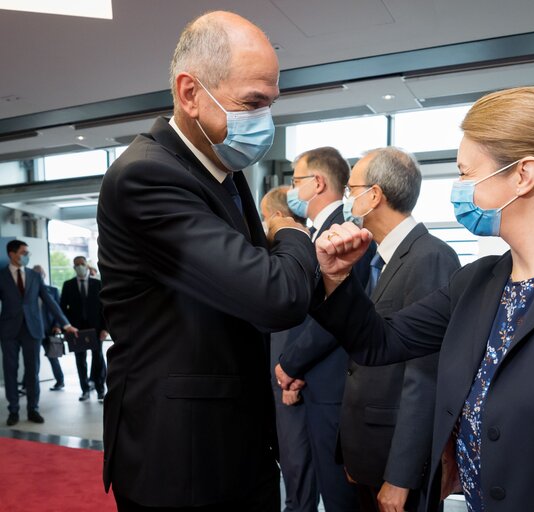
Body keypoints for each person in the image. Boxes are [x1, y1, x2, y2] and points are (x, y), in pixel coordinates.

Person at [285, 87, 534, 511]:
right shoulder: (478, 281)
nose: (459, 188)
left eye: (465, 172)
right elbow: (380, 341)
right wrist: (336, 277)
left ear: (523, 175)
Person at [97, 11, 316, 511]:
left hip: (236, 448)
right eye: (252, 103)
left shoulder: (223, 171)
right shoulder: (146, 176)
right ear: (190, 92)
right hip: (181, 462)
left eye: (270, 104)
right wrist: (292, 231)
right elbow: (274, 295)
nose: (264, 121)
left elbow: (258, 282)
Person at [340, 147, 459, 512]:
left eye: (351, 188)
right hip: (370, 451)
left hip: (397, 462)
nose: (347, 198)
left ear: (374, 195)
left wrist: (401, 477)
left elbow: (423, 376)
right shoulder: (380, 257)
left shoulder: (429, 257)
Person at [275, 146, 372, 512]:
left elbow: (335, 316)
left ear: (316, 183)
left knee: (339, 495)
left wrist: (291, 364)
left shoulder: (343, 234)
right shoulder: (315, 233)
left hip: (331, 384)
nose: (292, 190)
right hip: (312, 381)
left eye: (295, 181)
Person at [260, 185, 319, 512]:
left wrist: (290, 375)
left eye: (266, 216)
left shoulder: (301, 253)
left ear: (280, 217)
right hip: (283, 376)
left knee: (298, 471)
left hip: (292, 379)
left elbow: (307, 321)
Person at [0, 241, 77, 426]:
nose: (27, 255)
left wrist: (66, 324)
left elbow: (50, 301)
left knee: (32, 371)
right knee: (10, 371)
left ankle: (33, 409)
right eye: (24, 252)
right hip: (9, 330)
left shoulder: (34, 276)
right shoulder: (1, 276)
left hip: (33, 330)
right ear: (12, 254)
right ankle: (13, 410)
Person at [59, 256, 108, 402]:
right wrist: (66, 327)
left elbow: (105, 308)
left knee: (98, 358)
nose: (79, 266)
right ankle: (85, 389)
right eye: (76, 265)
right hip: (76, 330)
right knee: (80, 360)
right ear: (74, 267)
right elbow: (62, 309)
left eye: (82, 264)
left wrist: (105, 328)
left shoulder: (98, 284)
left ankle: (100, 390)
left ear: (87, 265)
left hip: (96, 328)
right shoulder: (68, 285)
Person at [31, 265, 65, 391]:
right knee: (32, 359)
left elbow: (58, 311)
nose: (38, 275)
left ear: (44, 275)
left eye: (40, 273)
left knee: (53, 357)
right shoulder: (29, 292)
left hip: (50, 330)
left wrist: (57, 326)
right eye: (35, 273)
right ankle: (25, 385)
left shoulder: (53, 290)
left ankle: (60, 381)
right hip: (33, 330)